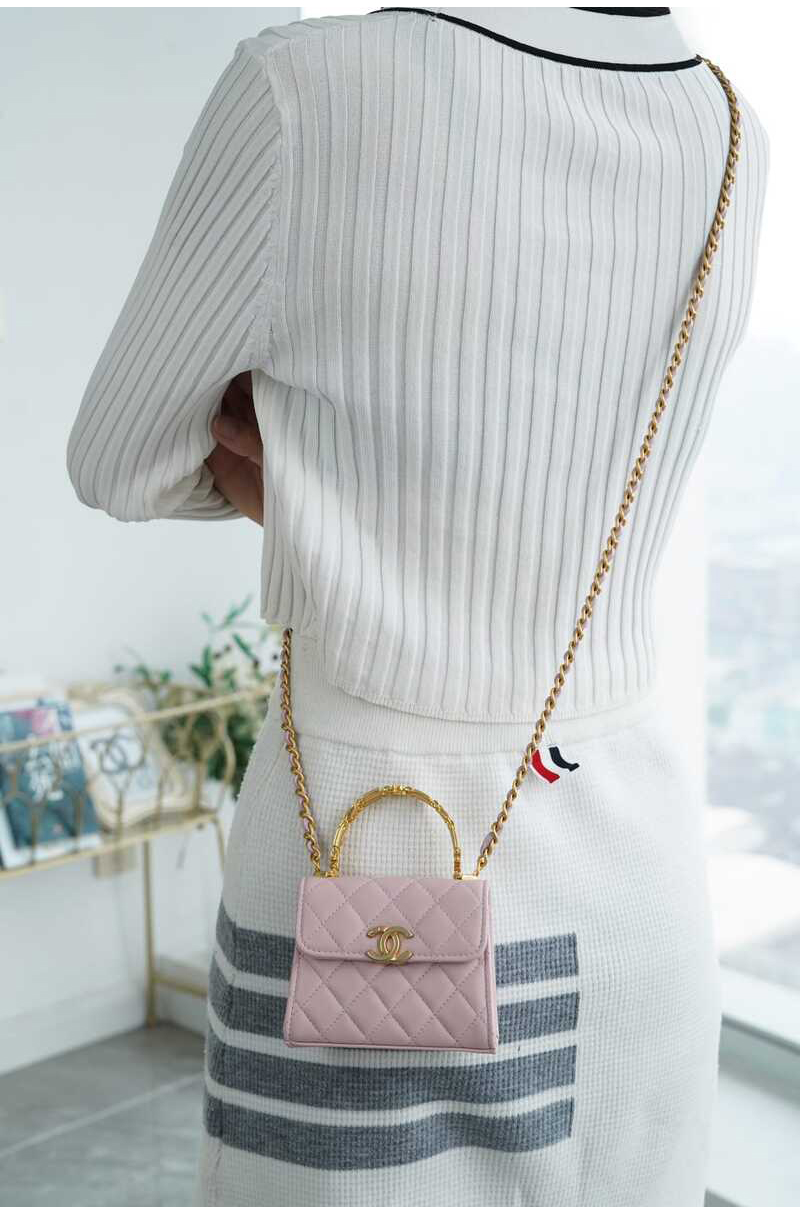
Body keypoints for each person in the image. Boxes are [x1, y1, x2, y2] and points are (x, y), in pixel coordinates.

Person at [66, 7, 769, 1207]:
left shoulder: (304, 86)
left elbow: (119, 461)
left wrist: (325, 488)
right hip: (632, 858)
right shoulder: (730, 127)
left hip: (362, 843)